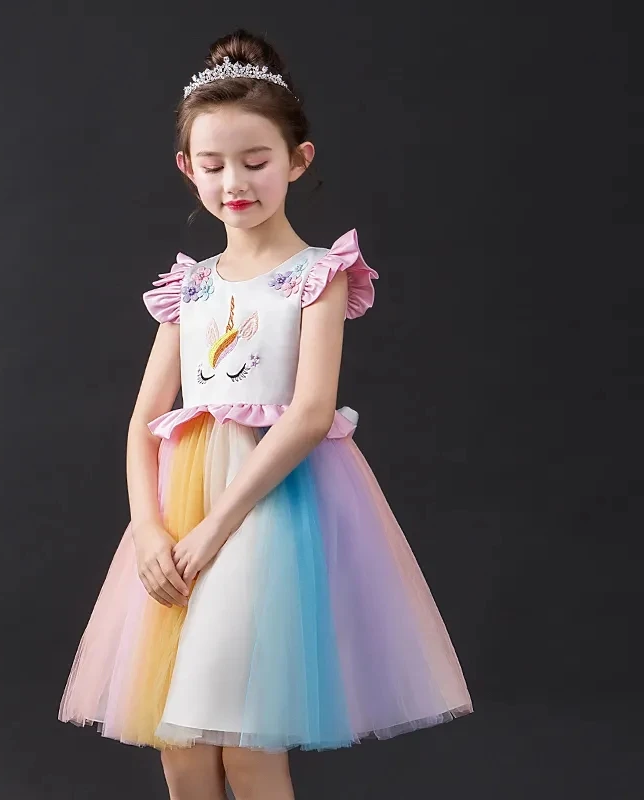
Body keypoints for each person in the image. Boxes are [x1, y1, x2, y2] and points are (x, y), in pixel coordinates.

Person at [58, 28, 473, 800]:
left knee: (245, 743)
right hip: (180, 509)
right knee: (182, 748)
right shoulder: (190, 286)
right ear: (188, 168)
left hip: (266, 510)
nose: (234, 183)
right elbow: (144, 419)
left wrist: (215, 528)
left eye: (256, 162)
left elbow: (311, 413)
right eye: (214, 165)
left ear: (297, 160)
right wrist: (150, 528)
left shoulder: (318, 275)